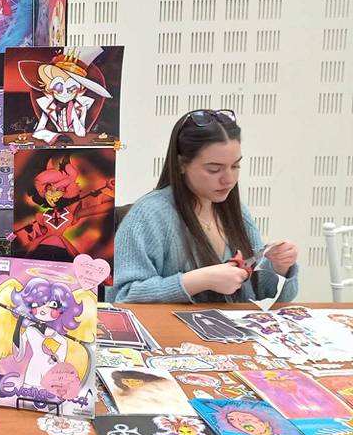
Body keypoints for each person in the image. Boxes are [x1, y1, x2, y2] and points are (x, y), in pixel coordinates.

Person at [111, 109, 299, 303]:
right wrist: (198, 281)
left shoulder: (236, 212)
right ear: (181, 164)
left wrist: (280, 267)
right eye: (214, 169)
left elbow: (266, 298)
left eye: (235, 166)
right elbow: (121, 297)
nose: (229, 179)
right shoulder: (149, 215)